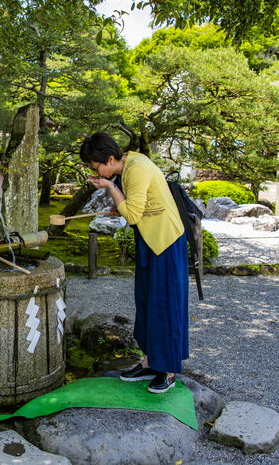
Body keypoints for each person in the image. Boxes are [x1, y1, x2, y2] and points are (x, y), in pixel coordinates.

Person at [80, 131, 189, 394]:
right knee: (148, 302)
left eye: (97, 168)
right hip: (150, 241)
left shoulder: (136, 168)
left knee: (166, 305)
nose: (98, 174)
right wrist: (119, 198)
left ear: (109, 158)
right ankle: (150, 362)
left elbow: (132, 215)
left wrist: (111, 189)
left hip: (165, 241)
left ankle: (169, 369)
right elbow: (132, 207)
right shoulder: (128, 165)